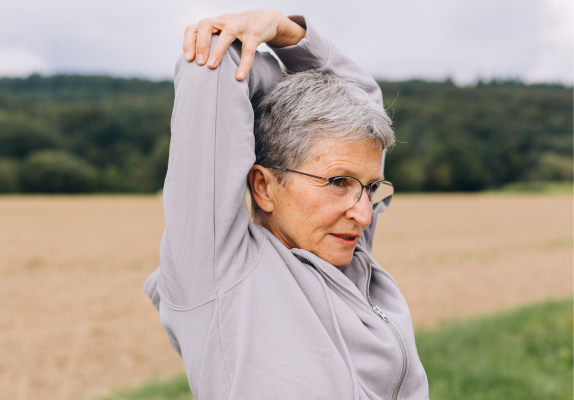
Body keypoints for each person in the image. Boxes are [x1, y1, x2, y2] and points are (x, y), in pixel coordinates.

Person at [145, 9, 429, 399]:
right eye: (338, 182)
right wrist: (291, 90)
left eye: (371, 187)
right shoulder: (217, 271)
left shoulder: (344, 253)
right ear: (263, 187)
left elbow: (362, 99)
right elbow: (215, 60)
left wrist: (289, 33)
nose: (364, 215)